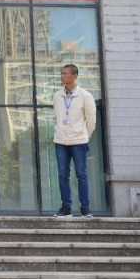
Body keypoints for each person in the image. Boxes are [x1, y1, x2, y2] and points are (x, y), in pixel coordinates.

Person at [52, 64, 96, 218]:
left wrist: (84, 136)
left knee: (81, 174)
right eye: (61, 73)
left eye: (65, 73)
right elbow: (58, 117)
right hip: (61, 141)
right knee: (63, 175)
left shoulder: (85, 96)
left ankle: (85, 208)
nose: (62, 76)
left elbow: (91, 121)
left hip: (79, 142)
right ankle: (66, 208)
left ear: (75, 76)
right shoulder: (57, 96)